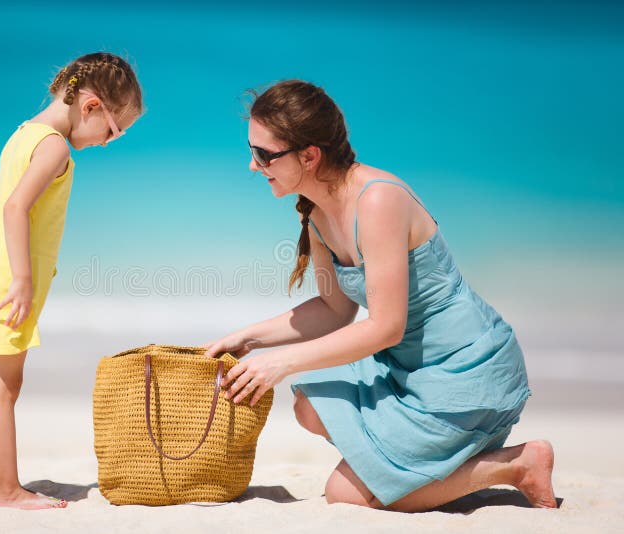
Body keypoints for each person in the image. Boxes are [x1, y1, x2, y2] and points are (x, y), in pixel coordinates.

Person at [204, 80, 556, 512]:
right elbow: (335, 310)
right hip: (407, 369)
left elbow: (387, 327)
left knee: (345, 495)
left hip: (465, 372)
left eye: (264, 154)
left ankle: (514, 465)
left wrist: (282, 362)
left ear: (310, 155)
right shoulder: (316, 213)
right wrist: (250, 340)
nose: (254, 166)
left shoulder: (378, 200)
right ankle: (409, 466)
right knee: (309, 404)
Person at [0, 52, 142, 510]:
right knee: (3, 389)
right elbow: (15, 208)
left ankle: (4, 485)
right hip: (5, 281)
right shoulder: (53, 145)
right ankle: (6, 491)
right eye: (114, 132)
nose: (107, 143)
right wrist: (22, 279)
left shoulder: (25, 133)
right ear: (91, 106)